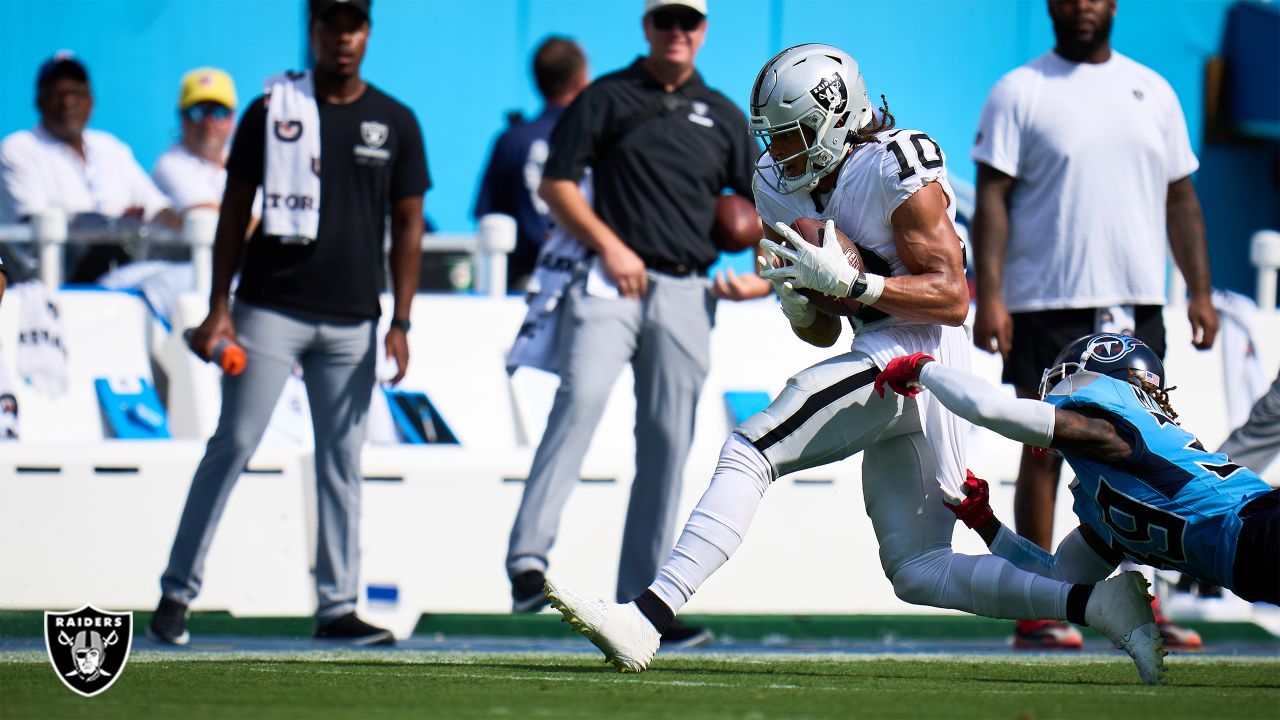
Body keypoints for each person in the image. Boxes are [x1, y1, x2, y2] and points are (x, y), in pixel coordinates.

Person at [543, 43, 1166, 686]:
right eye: (773, 138)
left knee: (755, 447)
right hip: (878, 348)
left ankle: (647, 615)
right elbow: (822, 330)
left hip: (923, 355)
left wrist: (854, 285)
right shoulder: (776, 185)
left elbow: (953, 298)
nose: (779, 154)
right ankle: (1099, 603)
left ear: (836, 117)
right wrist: (801, 303)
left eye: (792, 136)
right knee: (919, 570)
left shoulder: (896, 165)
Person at [146, 0, 429, 647]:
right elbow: (232, 212)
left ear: (368, 33)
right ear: (315, 31)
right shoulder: (273, 110)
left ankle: (337, 607)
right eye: (332, 24)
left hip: (354, 319)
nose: (343, 37)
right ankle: (175, 592)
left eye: (354, 24)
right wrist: (220, 305)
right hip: (269, 307)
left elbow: (408, 226)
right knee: (236, 443)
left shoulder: (395, 120)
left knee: (342, 461)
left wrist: (402, 320)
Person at [504, 0, 768, 647]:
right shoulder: (607, 96)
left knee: (667, 441)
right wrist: (610, 245)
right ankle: (527, 560)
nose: (677, 32)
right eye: (665, 20)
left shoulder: (728, 117)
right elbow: (558, 187)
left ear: (702, 32)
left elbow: (769, 213)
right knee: (580, 400)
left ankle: (643, 607)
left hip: (686, 290)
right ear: (646, 27)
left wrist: (760, 278)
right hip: (609, 280)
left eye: (689, 22)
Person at [969, 0, 1219, 648]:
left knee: (1145, 452)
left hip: (1136, 302)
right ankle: (1036, 606)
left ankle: (1142, 601)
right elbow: (991, 196)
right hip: (1044, 301)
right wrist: (990, 295)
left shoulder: (1153, 91)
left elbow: (1181, 196)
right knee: (1042, 448)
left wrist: (1198, 289)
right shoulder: (1019, 91)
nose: (1081, 5)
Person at [873, 333, 1279, 607]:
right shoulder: (1109, 497)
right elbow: (1060, 575)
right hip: (1250, 561)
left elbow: (990, 409)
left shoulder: (1109, 432)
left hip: (1259, 530)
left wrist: (923, 367)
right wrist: (986, 524)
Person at [0, 51, 177, 282]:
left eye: (76, 93)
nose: (68, 102)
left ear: (91, 101)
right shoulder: (19, 148)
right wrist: (119, 226)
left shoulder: (111, 148)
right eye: (57, 93)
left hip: (124, 281)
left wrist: (126, 228)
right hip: (51, 286)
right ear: (40, 101)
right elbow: (36, 225)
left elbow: (163, 213)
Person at [474, 37, 589, 291]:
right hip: (584, 281)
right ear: (580, 80)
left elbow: (487, 214)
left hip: (524, 285)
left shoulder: (511, 140)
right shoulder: (594, 138)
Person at [152, 67, 244, 215]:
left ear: (232, 117)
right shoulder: (170, 164)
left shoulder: (247, 163)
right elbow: (207, 218)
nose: (209, 121)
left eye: (219, 111)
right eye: (198, 112)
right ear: (182, 117)